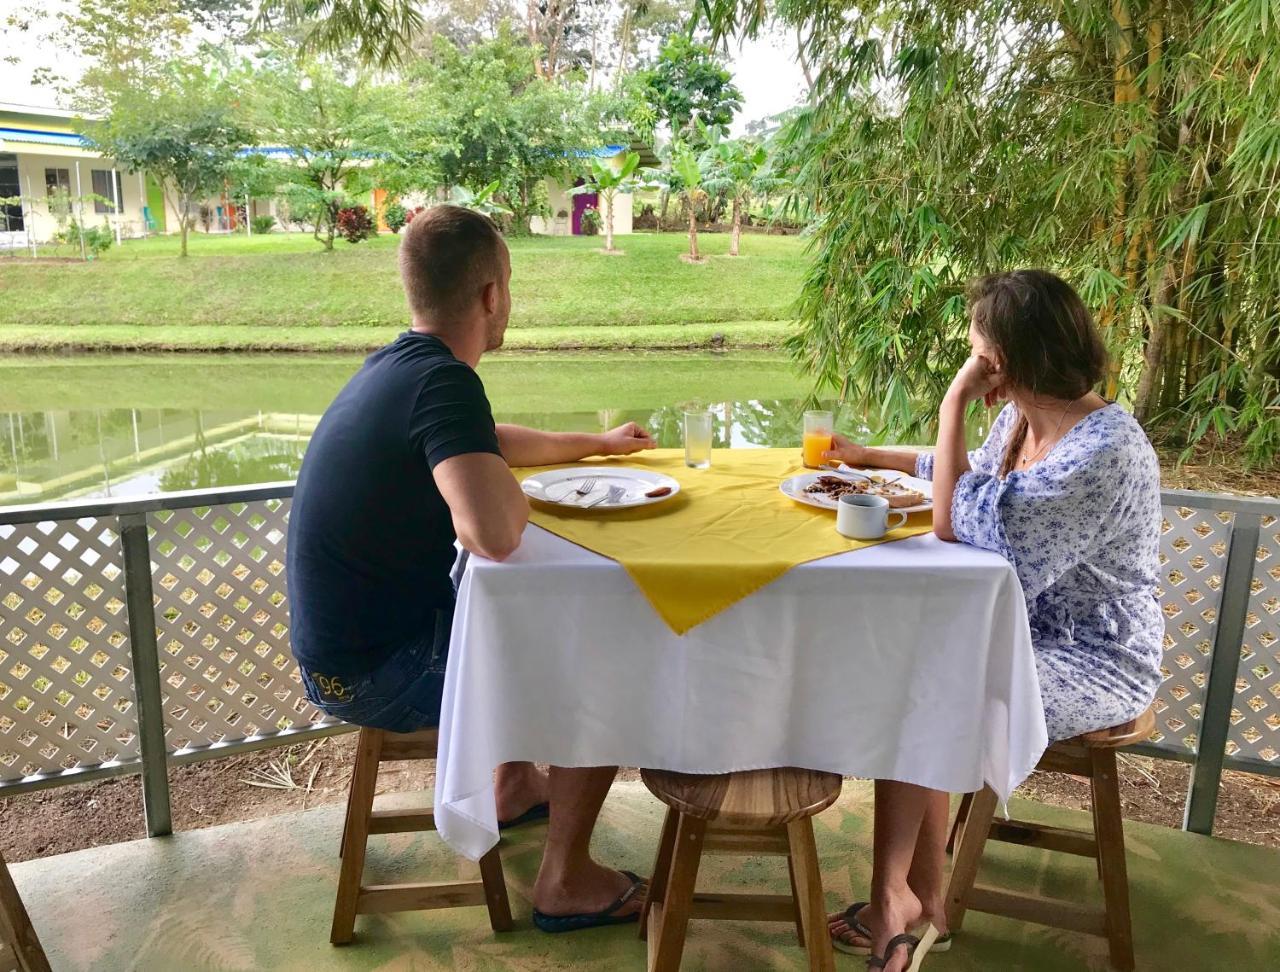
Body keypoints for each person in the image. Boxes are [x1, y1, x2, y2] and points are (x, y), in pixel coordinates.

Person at [286, 205, 655, 932]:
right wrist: (509, 495)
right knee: (602, 670)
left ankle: (513, 783)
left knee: (518, 620)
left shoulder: (401, 365)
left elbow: (488, 441)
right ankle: (567, 880)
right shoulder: (444, 382)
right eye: (509, 285)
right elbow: (491, 532)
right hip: (378, 674)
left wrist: (599, 447)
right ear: (491, 295)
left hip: (340, 657)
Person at [821, 270, 1163, 971]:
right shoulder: (1027, 417)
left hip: (1092, 655)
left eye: (979, 351)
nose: (974, 362)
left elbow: (950, 516)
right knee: (924, 672)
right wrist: (867, 456)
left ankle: (901, 898)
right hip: (1015, 626)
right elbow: (963, 473)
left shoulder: (1102, 452)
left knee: (928, 685)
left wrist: (953, 401)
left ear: (1009, 359)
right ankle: (924, 893)